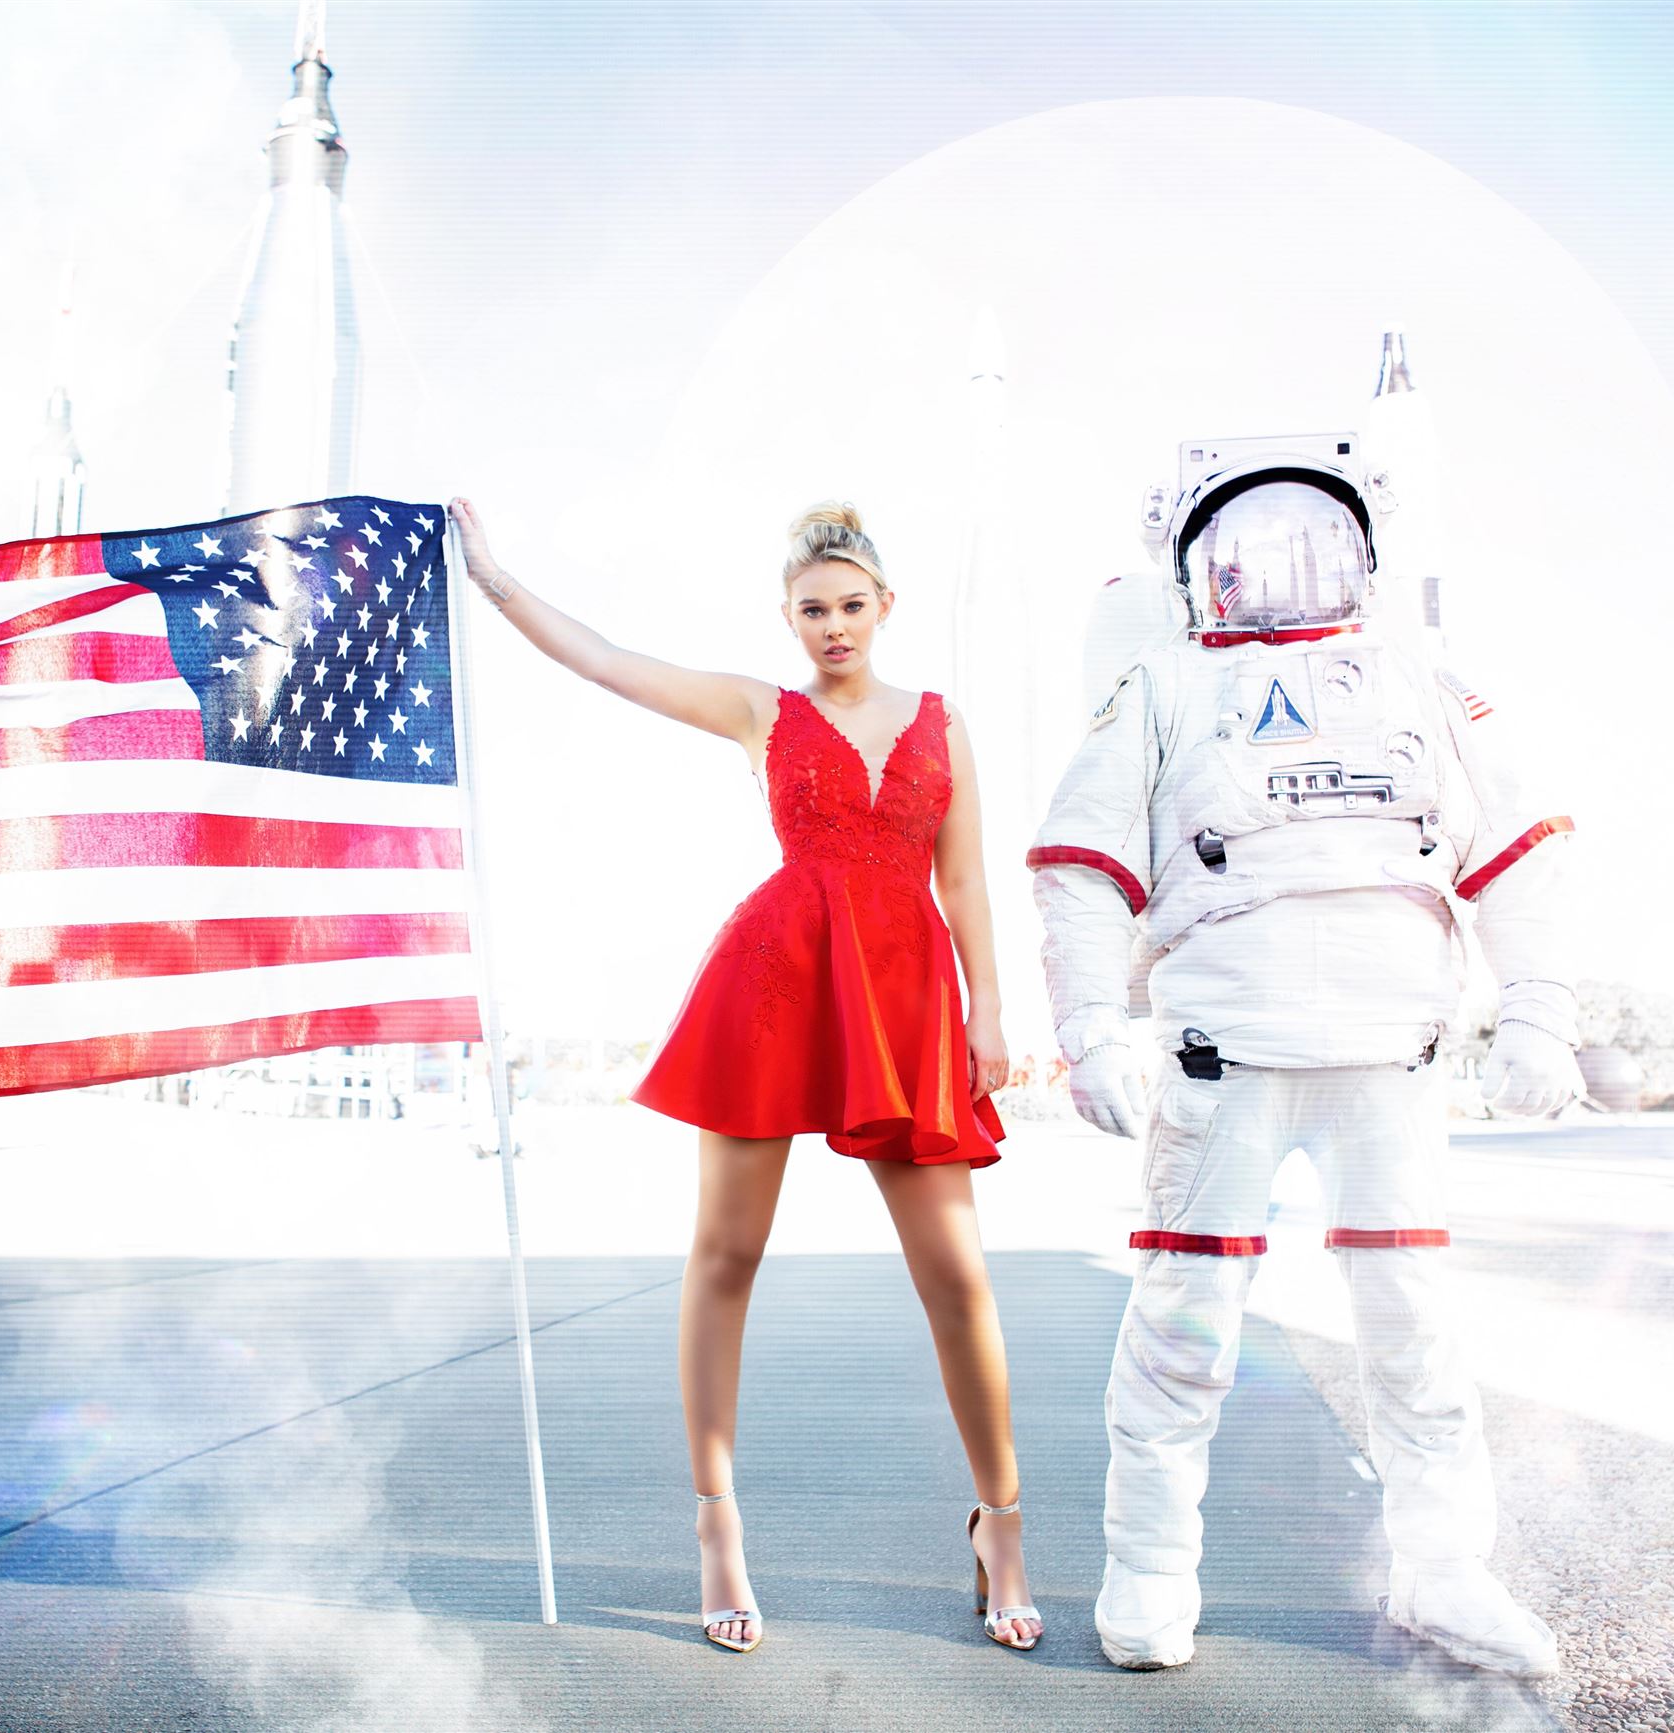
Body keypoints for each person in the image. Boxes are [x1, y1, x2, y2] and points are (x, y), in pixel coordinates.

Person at [448, 498, 1040, 1657]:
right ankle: (717, 1526)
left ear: (883, 607)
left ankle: (1002, 1526)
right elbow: (612, 662)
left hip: (907, 998)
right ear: (788, 616)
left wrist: (989, 1010)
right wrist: (494, 578)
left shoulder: (941, 721)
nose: (832, 627)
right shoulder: (760, 710)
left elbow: (963, 883)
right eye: (811, 610)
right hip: (778, 980)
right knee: (725, 1255)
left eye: (850, 607)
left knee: (958, 1280)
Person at [1028, 449, 1581, 1676]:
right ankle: (1149, 1569)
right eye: (1243, 541)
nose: (1274, 562)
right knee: (1182, 1325)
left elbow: (1516, 850)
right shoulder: (1162, 684)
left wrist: (1539, 1010)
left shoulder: (1417, 681)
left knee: (1413, 1331)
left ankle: (1442, 1571)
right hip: (1226, 1058)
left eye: (1307, 533)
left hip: (1389, 1062)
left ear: (1362, 550)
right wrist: (1087, 1030)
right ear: (1192, 566)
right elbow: (1080, 860)